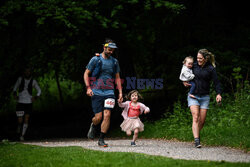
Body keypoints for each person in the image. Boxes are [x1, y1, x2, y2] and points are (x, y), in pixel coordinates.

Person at [83, 38, 123, 147]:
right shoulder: (95, 59)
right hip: (96, 92)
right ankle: (94, 125)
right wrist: (88, 88)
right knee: (98, 117)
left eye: (113, 50)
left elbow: (117, 78)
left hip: (109, 92)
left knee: (107, 114)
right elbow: (86, 73)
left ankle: (101, 139)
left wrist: (120, 93)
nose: (111, 52)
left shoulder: (114, 62)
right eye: (109, 49)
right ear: (104, 47)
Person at [183, 49, 222, 148]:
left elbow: (216, 82)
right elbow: (184, 71)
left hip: (205, 97)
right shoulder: (193, 66)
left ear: (205, 58)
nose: (198, 60)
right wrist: (183, 81)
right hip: (193, 96)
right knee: (195, 117)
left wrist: (218, 94)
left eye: (200, 58)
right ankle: (197, 140)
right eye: (197, 58)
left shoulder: (210, 69)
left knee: (202, 121)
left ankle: (196, 134)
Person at [13, 67, 41, 141]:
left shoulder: (33, 81)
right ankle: (19, 127)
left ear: (30, 72)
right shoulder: (20, 79)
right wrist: (15, 94)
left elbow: (39, 90)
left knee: (26, 118)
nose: (27, 73)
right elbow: (15, 88)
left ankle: (22, 136)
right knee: (20, 120)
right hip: (20, 102)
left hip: (28, 102)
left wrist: (36, 97)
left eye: (29, 71)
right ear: (24, 72)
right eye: (26, 71)